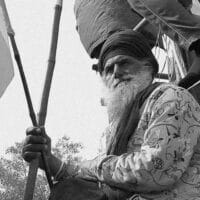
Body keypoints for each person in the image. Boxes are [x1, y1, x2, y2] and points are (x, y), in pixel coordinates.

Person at [22, 30, 200, 200]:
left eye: (124, 63)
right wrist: (49, 161)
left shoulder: (171, 97)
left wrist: (89, 166)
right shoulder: (112, 131)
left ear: (148, 67)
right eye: (108, 69)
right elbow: (104, 185)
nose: (116, 72)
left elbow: (153, 170)